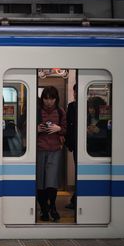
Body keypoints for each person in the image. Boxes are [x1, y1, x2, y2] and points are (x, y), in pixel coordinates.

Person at [37, 86, 67, 222]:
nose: (48, 102)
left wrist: (59, 128)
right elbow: (24, 127)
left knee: (52, 181)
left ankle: (52, 207)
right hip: (39, 150)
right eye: (46, 98)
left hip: (55, 150)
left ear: (56, 99)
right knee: (40, 182)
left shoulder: (60, 112)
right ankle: (43, 209)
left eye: (52, 98)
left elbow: (67, 129)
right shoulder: (37, 111)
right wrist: (36, 128)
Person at [65, 84, 77, 209]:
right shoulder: (71, 106)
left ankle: (75, 200)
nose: (75, 94)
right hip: (76, 144)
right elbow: (69, 125)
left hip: (90, 145)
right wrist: (69, 144)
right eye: (75, 91)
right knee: (78, 172)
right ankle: (75, 199)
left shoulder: (90, 106)